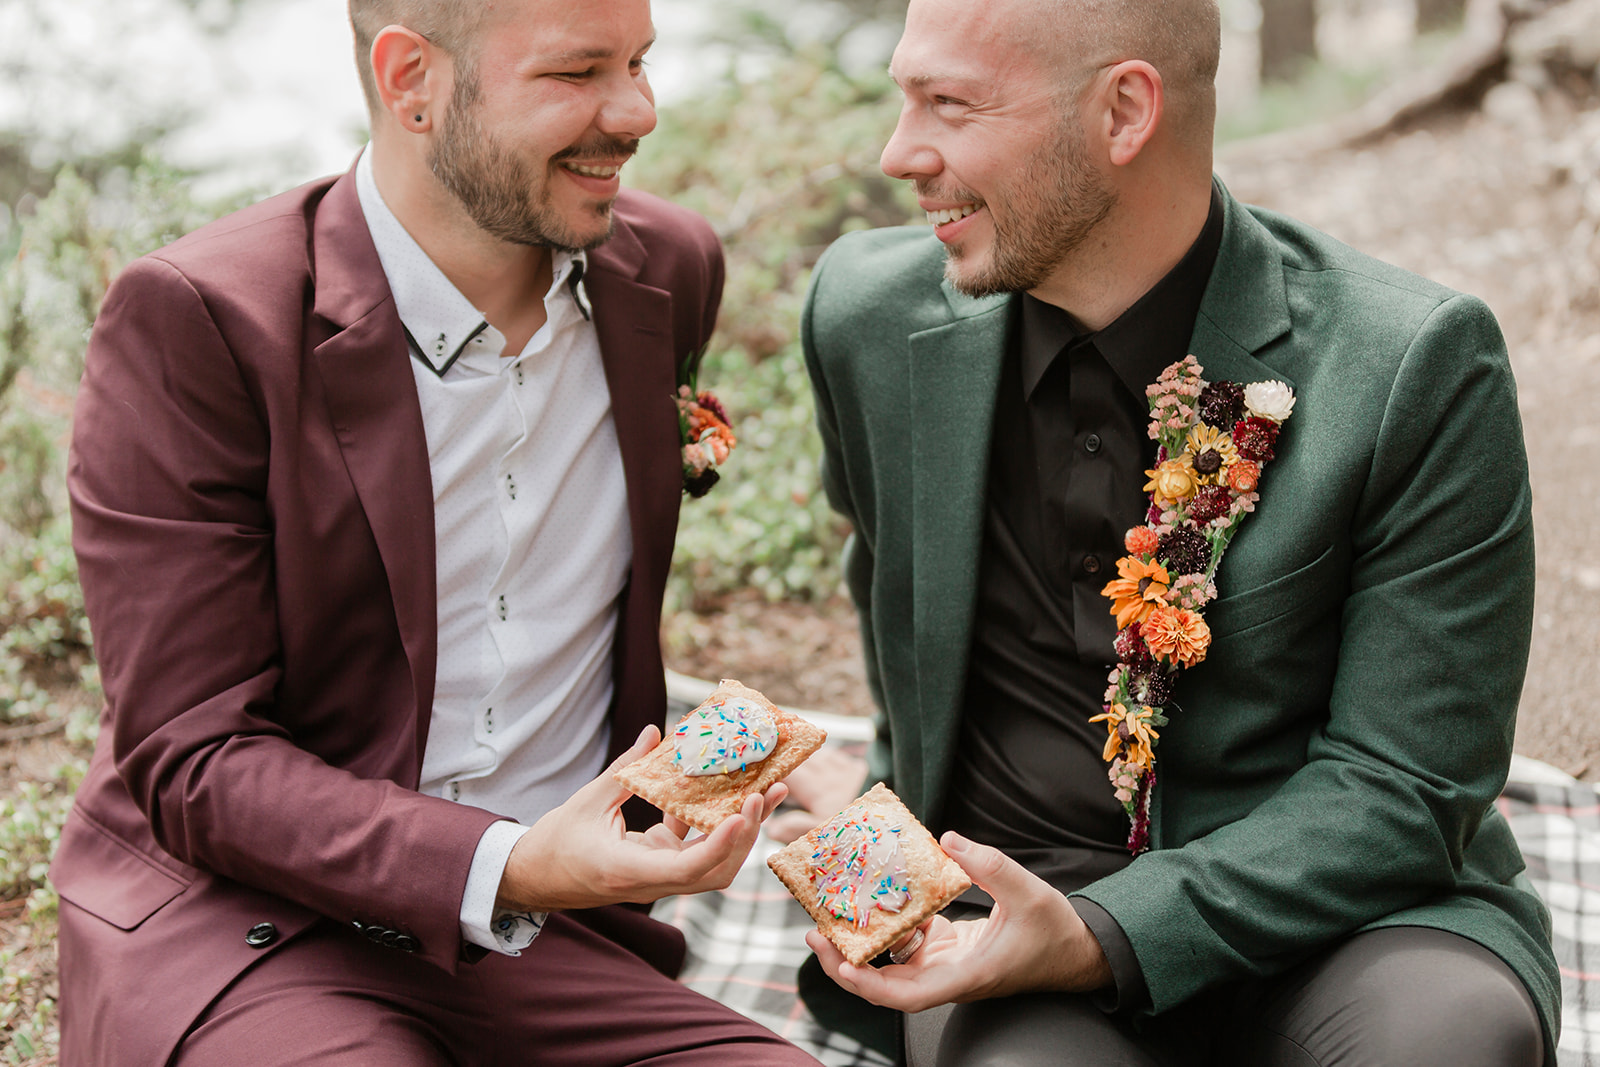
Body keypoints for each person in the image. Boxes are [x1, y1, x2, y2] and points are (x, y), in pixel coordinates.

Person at [50, 1, 822, 1063]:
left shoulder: (669, 271)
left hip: (553, 942)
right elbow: (193, 756)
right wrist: (517, 860)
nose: (637, 111)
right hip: (259, 923)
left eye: (641, 61)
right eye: (577, 72)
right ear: (411, 78)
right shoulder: (201, 318)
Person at [791, 0, 1561, 1062]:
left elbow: (1407, 785)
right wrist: (878, 813)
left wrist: (1109, 929)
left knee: (1447, 1041)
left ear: (1123, 112)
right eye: (902, 97)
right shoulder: (865, 316)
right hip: (1009, 905)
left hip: (1345, 917)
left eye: (949, 106)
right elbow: (892, 614)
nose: (899, 153)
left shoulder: (1410, 364)